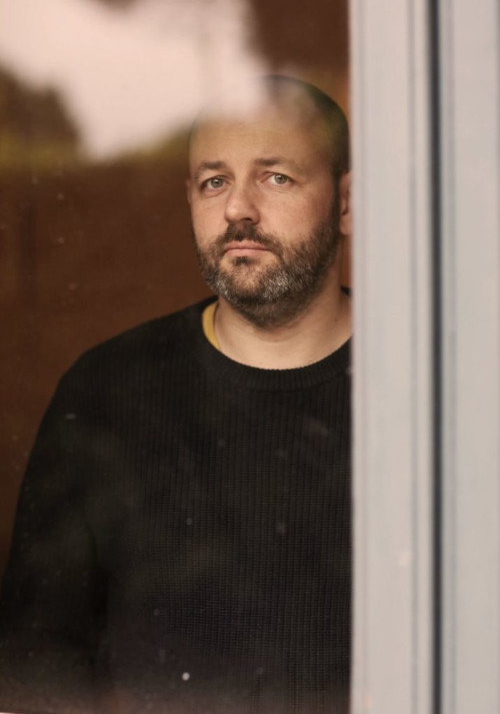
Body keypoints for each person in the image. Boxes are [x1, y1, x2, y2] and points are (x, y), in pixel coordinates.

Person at [0, 75, 352, 714]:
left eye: (276, 177)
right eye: (214, 181)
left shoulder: (423, 386)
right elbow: (37, 662)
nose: (238, 209)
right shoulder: (107, 393)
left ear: (348, 203)